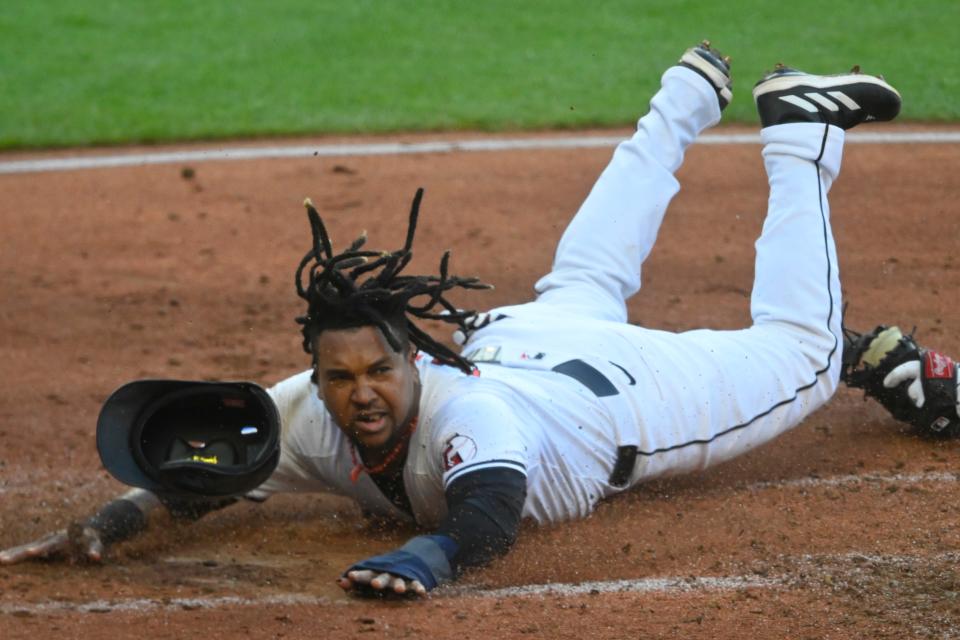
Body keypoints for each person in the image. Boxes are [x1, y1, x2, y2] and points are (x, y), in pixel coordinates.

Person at [1, 41, 915, 598]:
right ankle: (678, 105)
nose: (359, 395)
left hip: (623, 398)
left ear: (413, 359)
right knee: (582, 282)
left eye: (377, 373)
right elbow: (200, 477)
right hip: (526, 346)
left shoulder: (464, 418)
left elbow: (490, 514)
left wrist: (427, 559)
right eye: (339, 377)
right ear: (318, 376)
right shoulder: (311, 412)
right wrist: (103, 527)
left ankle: (801, 140)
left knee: (799, 350)